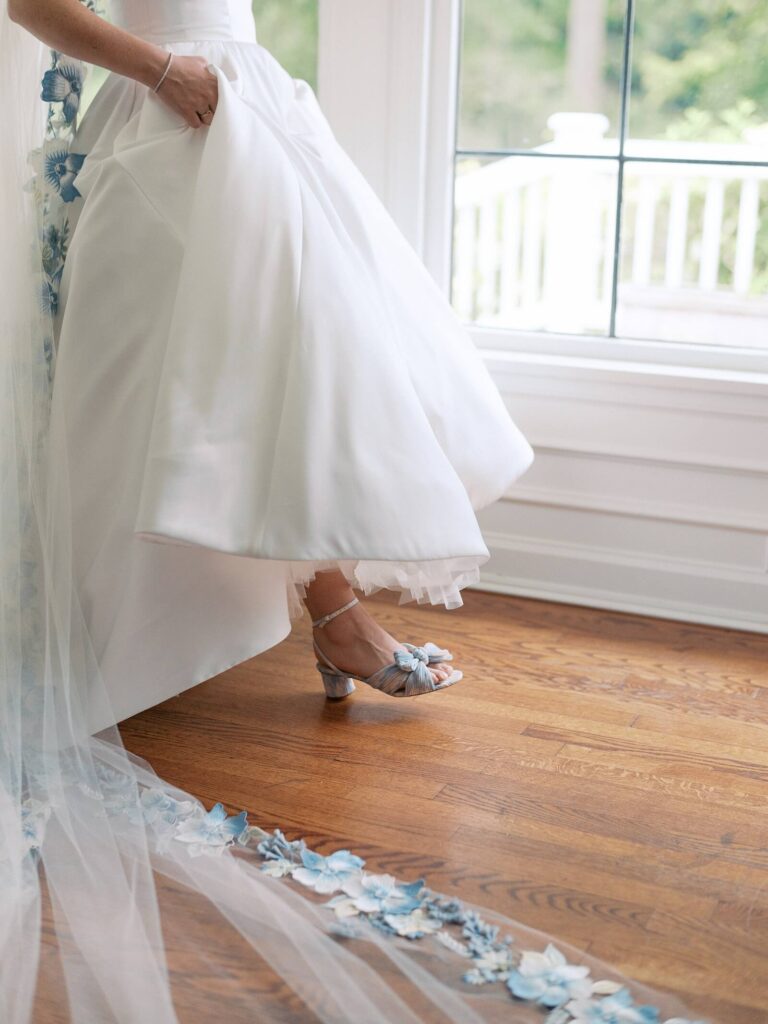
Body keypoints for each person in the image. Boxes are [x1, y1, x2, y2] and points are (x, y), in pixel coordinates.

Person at [0, 1, 711, 1021]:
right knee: (210, 385)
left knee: (309, 365)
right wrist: (165, 76)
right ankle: (293, 618)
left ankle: (332, 613)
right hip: (171, 112)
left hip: (250, 105)